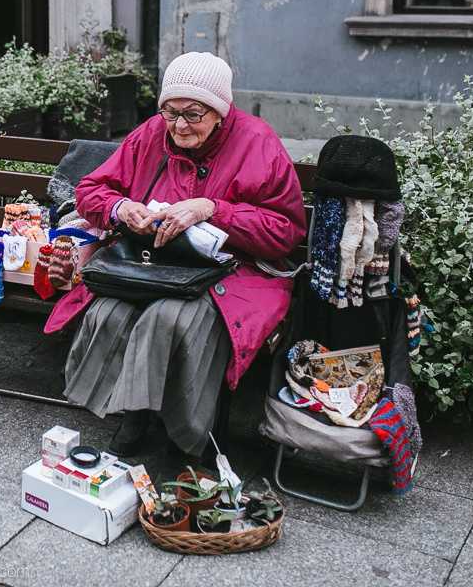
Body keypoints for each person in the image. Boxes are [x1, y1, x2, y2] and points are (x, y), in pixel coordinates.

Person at [44, 51, 306, 458]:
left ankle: (180, 432)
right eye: (170, 111)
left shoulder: (257, 141)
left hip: (235, 269)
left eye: (193, 113)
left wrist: (213, 209)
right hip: (152, 261)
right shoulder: (151, 134)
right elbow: (91, 190)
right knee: (109, 310)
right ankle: (132, 411)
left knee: (173, 319)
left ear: (220, 110)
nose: (179, 125)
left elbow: (285, 232)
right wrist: (121, 208)